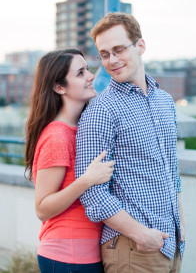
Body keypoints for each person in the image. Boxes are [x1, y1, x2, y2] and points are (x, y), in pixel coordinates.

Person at [75, 13, 185, 273]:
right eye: (104, 54)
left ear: (141, 46)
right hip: (132, 249)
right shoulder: (102, 110)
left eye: (119, 49)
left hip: (172, 245)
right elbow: (92, 192)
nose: (111, 60)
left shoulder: (165, 102)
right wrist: (141, 235)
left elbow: (172, 171)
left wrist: (179, 227)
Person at [25, 49, 115, 273]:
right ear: (59, 87)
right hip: (67, 258)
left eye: (88, 70)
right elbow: (42, 208)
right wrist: (86, 180)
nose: (91, 76)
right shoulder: (57, 136)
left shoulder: (82, 129)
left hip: (87, 255)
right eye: (80, 73)